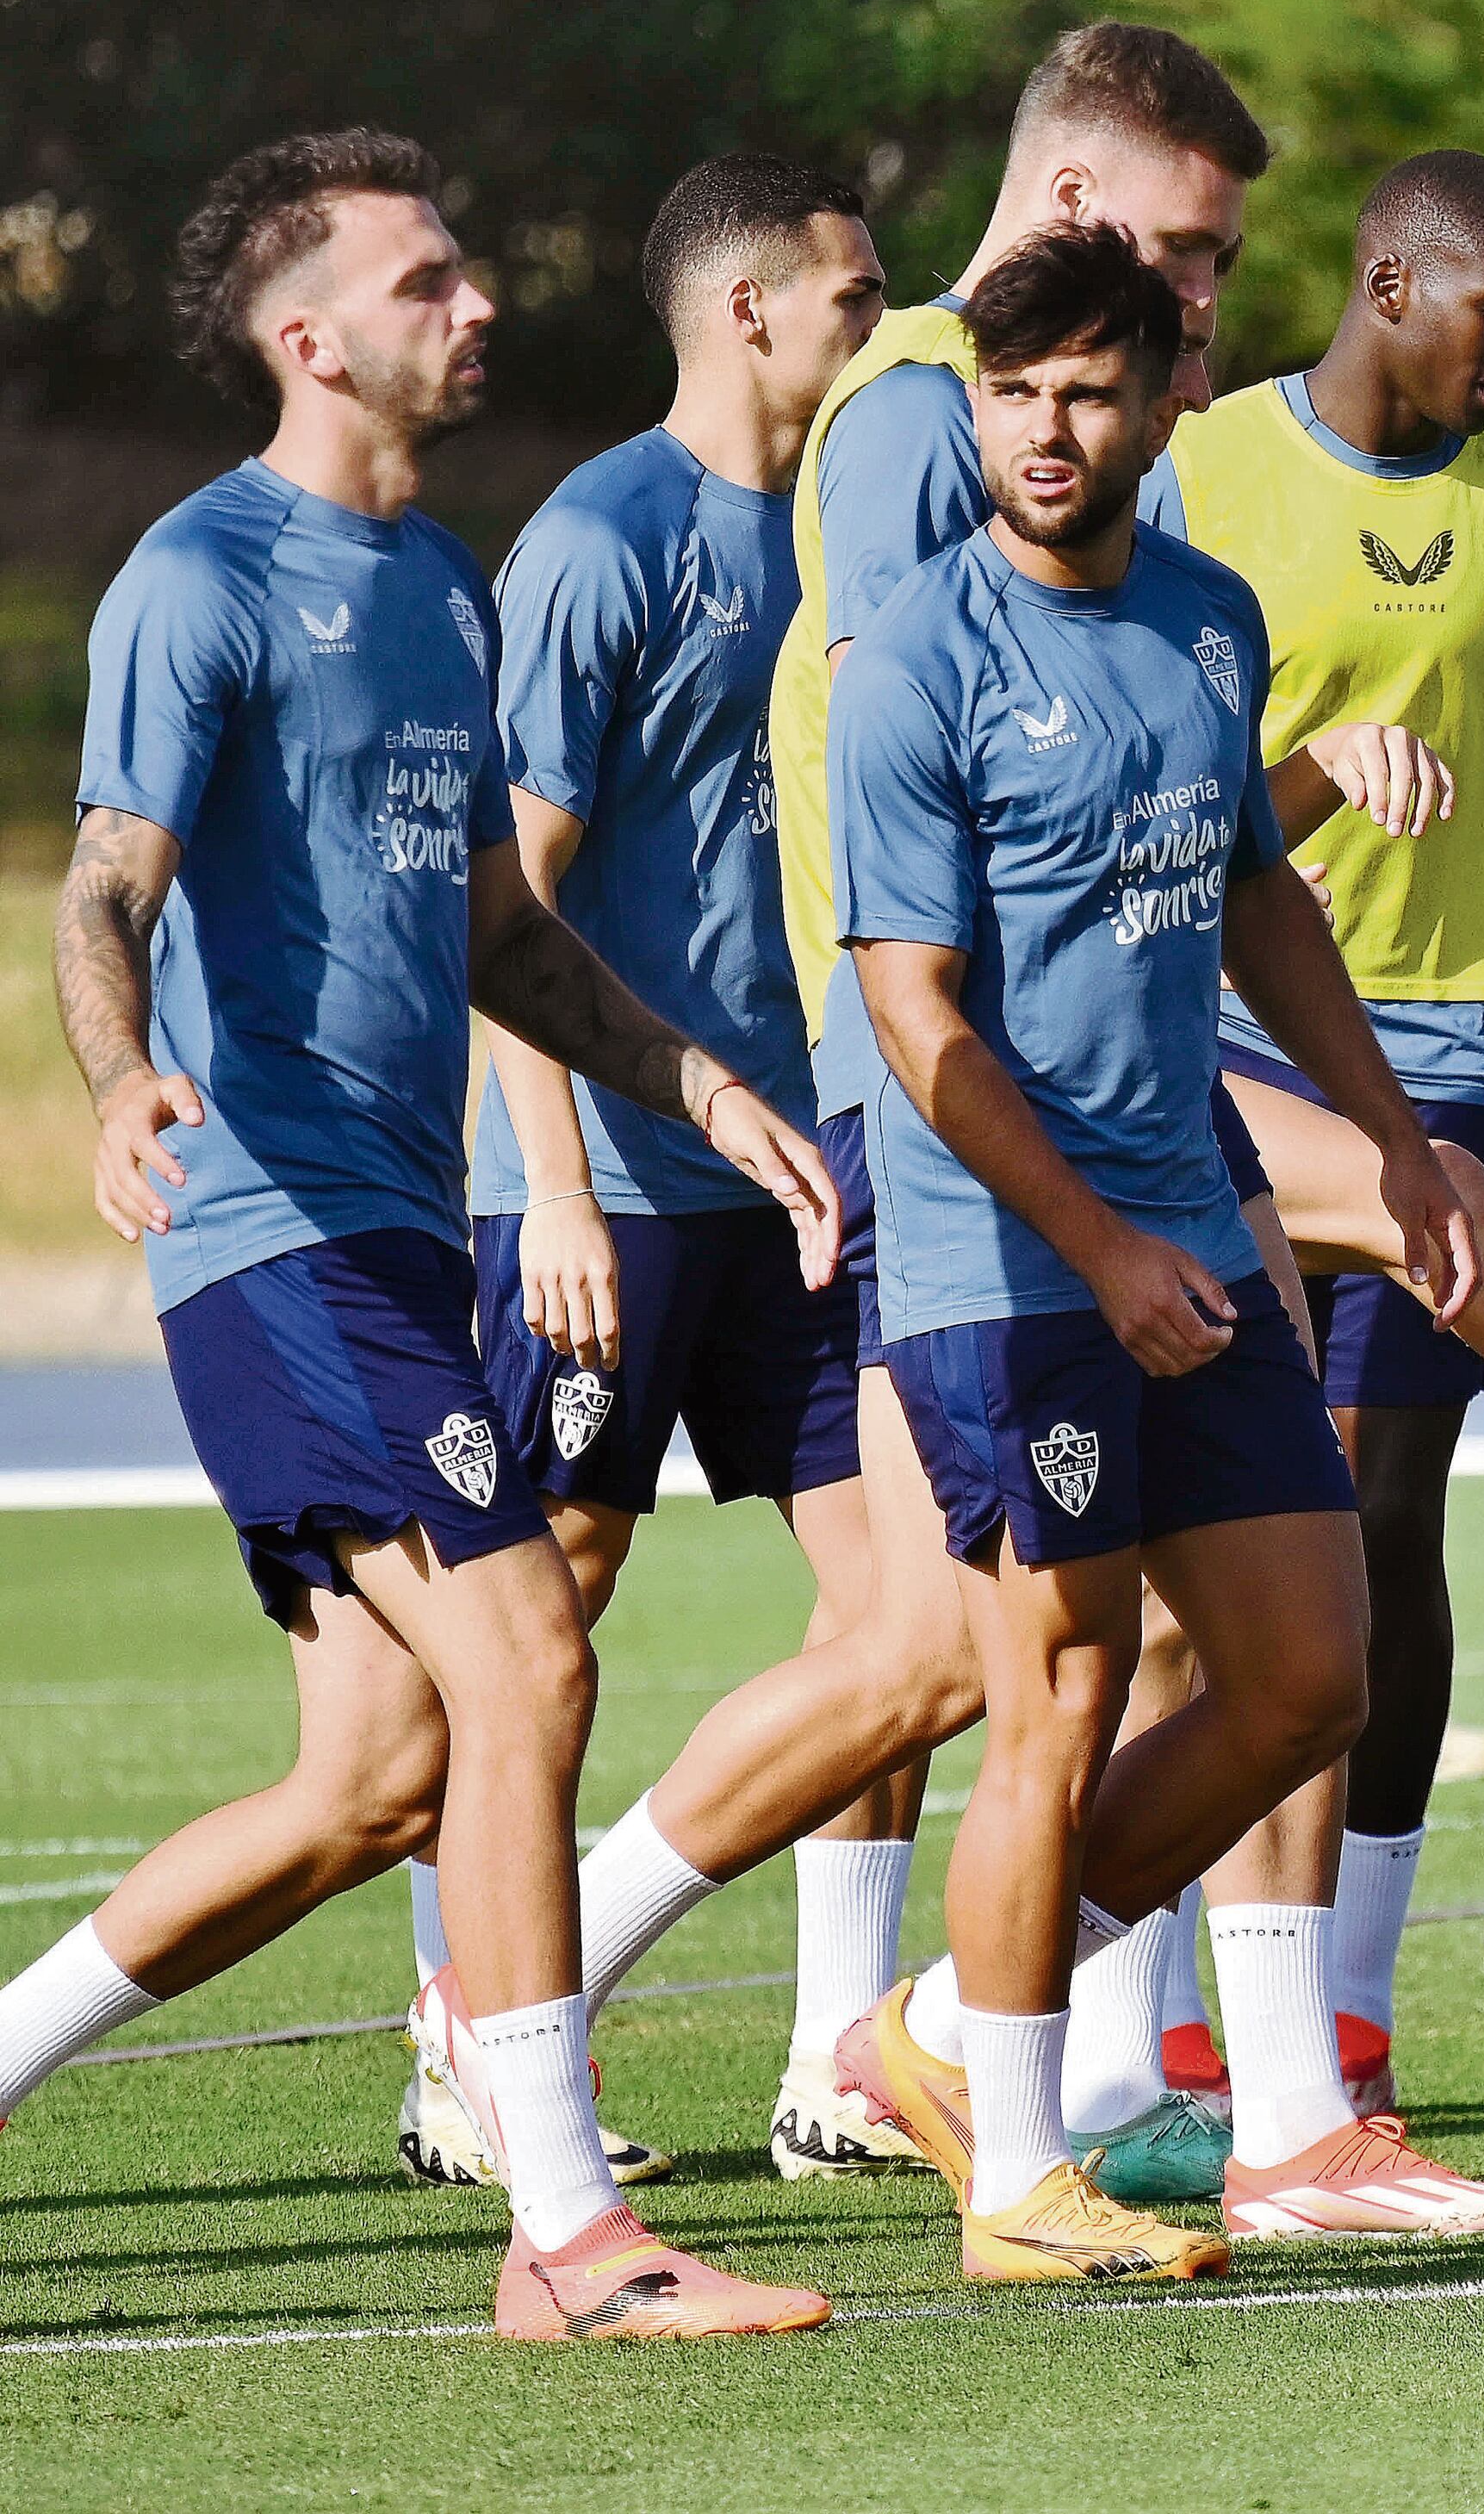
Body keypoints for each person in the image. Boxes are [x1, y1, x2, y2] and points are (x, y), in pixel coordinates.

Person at [0, 130, 838, 2340]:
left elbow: (504, 936)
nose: (478, 305)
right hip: (268, 1224)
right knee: (532, 1656)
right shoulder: (198, 577)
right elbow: (105, 884)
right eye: (432, 278)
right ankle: (567, 2235)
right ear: (311, 337)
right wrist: (115, 1083)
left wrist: (700, 1083)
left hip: (386, 1229)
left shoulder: (444, 587)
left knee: (371, 1780)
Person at [550, 23, 1286, 2207]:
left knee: (1025, 1641)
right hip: (940, 1114)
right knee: (942, 1648)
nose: (1208, 300)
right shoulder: (911, 431)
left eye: (1224, 262)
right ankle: (581, 2002)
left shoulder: (1128, 482)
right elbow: (941, 779)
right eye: (1180, 247)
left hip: (1059, 1107)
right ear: (1067, 221)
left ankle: (912, 2043)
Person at [826, 224, 1484, 2275]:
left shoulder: (1210, 618)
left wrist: (1402, 1145)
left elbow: (1261, 900)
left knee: (1308, 1673)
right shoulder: (915, 657)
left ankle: (958, 2023)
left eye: (1087, 391)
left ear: (1162, 405)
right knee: (1054, 1690)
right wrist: (1095, 1243)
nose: (1048, 431)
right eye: (1014, 391)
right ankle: (1015, 2180)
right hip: (1008, 1255)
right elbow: (917, 1015)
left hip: (1191, 1228)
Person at [383, 157, 916, 2201]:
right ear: (752, 311)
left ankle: (839, 2056)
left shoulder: (862, 528)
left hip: (807, 1169)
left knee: (903, 1615)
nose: (886, 331)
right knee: (550, 1612)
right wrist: (562, 1195)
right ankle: (480, 2041)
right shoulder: (607, 536)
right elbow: (504, 903)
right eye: (860, 297)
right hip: (600, 1176)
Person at [1160, 148, 1484, 2110]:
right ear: (1387, 286)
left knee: (1374, 1517)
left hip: (1445, 1042)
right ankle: (1161, 2017)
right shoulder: (1203, 467)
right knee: (1215, 1539)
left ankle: (1341, 2020)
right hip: (1211, 1039)